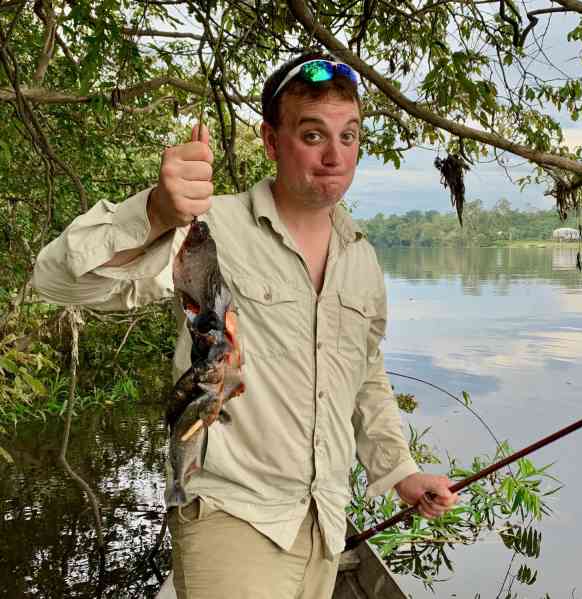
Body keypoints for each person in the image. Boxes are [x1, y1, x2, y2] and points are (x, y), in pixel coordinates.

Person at [33, 51, 458, 598]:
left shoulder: (362, 258)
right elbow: (57, 280)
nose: (334, 156)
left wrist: (400, 472)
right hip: (231, 514)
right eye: (312, 135)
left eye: (348, 137)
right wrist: (159, 212)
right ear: (271, 140)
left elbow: (365, 376)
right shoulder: (210, 228)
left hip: (323, 524)